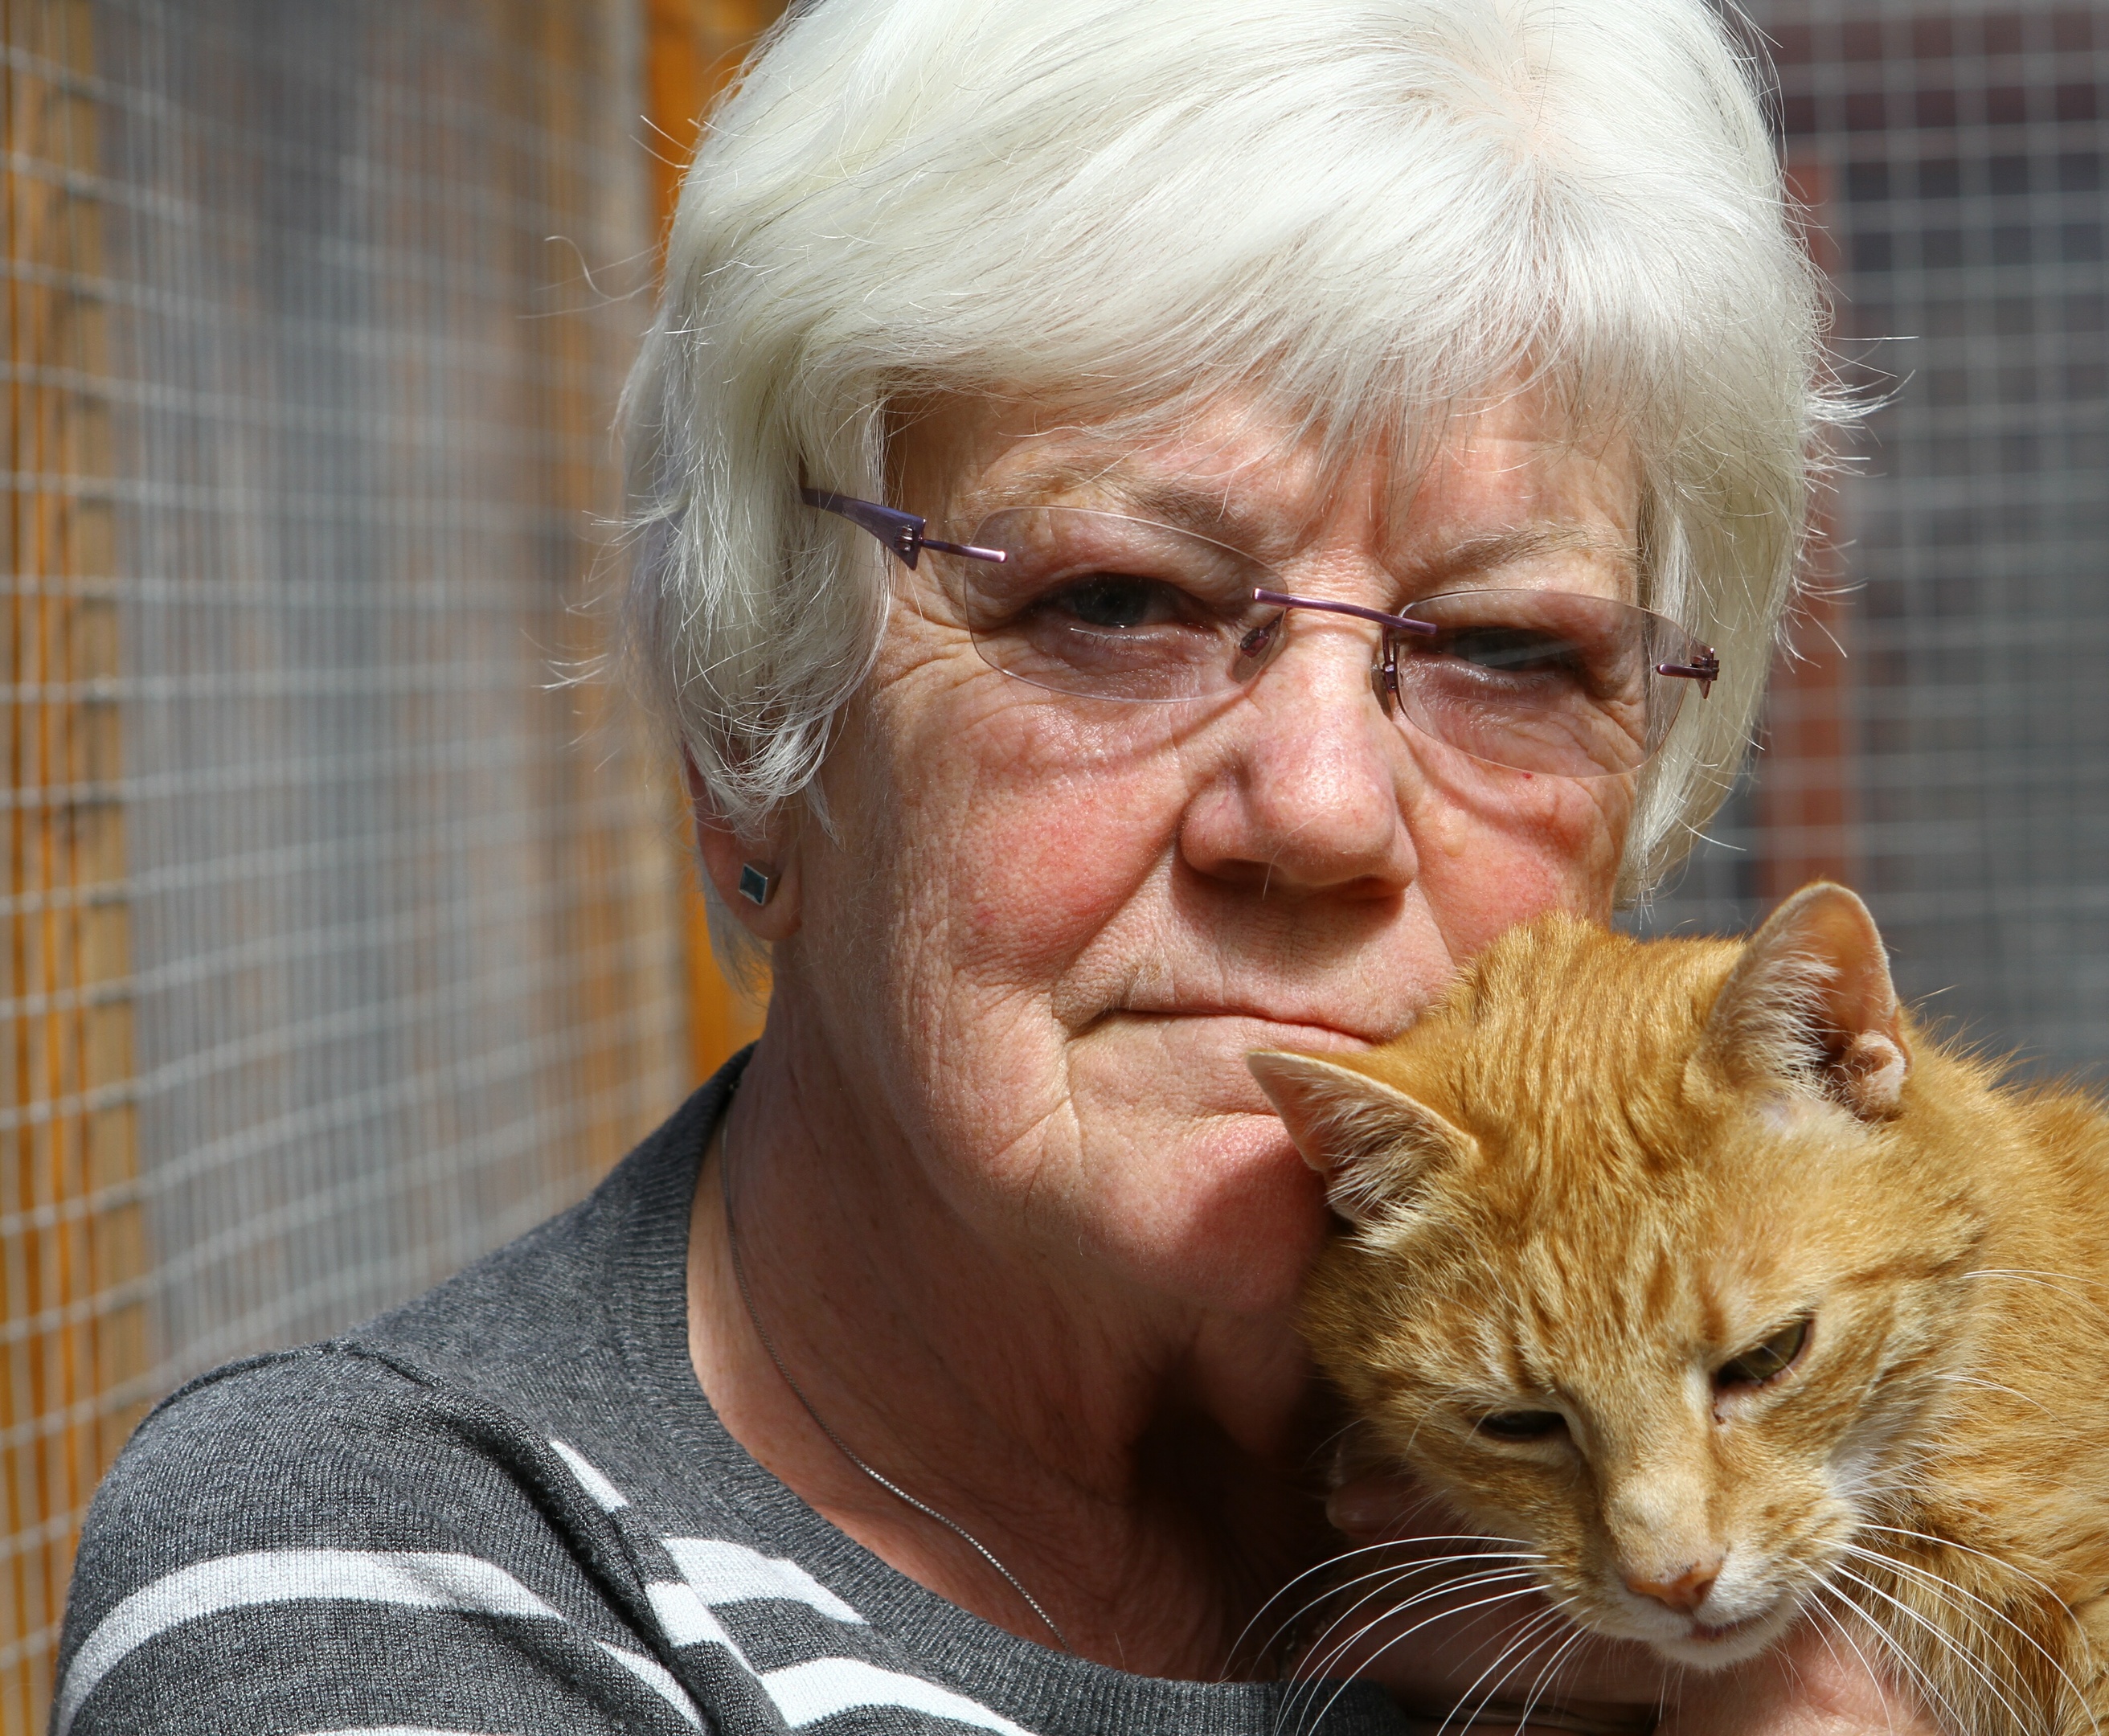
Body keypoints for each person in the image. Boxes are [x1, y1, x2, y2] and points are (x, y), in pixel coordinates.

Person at [54, 2, 1933, 1730]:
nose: (1324, 806)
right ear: (748, 733)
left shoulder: (1827, 1458)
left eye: (1512, 650)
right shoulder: (400, 1570)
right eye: (1115, 602)